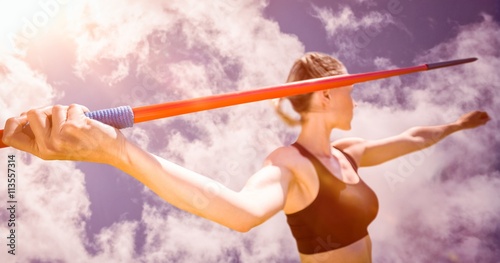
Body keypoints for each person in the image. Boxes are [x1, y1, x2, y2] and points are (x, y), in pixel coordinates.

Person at [2, 52, 490, 263]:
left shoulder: (350, 153)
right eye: (349, 89)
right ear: (323, 96)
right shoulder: (291, 163)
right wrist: (115, 149)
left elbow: (412, 137)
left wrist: (453, 127)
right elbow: (238, 212)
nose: (356, 97)